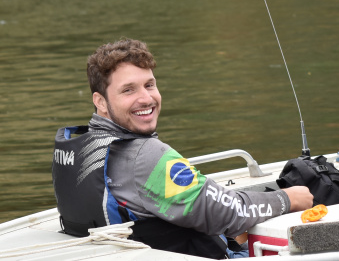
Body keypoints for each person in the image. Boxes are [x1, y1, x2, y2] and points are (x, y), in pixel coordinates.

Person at [52, 38, 314, 259]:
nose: (146, 98)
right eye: (128, 90)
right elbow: (225, 213)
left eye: (150, 85)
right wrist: (288, 199)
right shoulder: (145, 156)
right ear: (101, 102)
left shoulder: (80, 145)